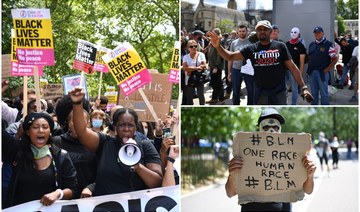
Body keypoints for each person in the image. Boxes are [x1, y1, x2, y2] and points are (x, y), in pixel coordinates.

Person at [68, 87, 162, 196]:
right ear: (115, 127)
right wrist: (77, 103)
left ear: (135, 127)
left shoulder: (145, 145)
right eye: (122, 125)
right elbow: (81, 132)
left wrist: (137, 166)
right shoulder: (105, 143)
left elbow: (157, 183)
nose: (126, 129)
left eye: (130, 125)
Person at [225, 108, 316, 211]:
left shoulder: (293, 154)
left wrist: (310, 175)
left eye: (275, 127)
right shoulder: (246, 152)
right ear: (260, 128)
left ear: (280, 129)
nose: (271, 130)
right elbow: (230, 193)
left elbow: (308, 190)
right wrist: (232, 174)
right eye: (266, 126)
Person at [208, 20, 313, 105]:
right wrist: (218, 46)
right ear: (256, 32)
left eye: (265, 29)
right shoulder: (251, 48)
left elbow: (293, 68)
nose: (262, 31)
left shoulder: (280, 46)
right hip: (260, 93)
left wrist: (304, 88)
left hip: (279, 92)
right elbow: (230, 56)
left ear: (270, 31)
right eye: (259, 29)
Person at [2, 112, 78, 208]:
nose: (41, 130)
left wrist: (58, 193)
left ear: (50, 131)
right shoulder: (16, 153)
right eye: (35, 127)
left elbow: (73, 188)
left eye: (45, 127)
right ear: (28, 132)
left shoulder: (61, 156)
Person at [53, 95, 97, 199]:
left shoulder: (97, 143)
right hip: (63, 201)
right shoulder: (56, 142)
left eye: (81, 120)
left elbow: (105, 173)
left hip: (90, 200)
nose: (78, 124)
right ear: (67, 123)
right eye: (74, 120)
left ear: (88, 123)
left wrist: (91, 188)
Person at [307, 26, 338, 105]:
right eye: (315, 33)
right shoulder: (311, 44)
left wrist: (327, 69)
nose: (317, 34)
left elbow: (335, 59)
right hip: (312, 73)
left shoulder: (329, 45)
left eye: (319, 32)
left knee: (324, 94)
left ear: (323, 33)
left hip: (322, 73)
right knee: (313, 94)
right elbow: (310, 57)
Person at [228, 25, 253, 105]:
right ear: (237, 32)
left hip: (249, 70)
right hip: (236, 69)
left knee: (251, 91)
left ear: (247, 31)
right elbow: (230, 58)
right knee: (235, 91)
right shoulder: (233, 43)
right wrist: (229, 72)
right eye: (240, 31)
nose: (242, 33)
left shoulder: (251, 42)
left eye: (243, 31)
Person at [182, 39, 207, 105]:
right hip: (189, 79)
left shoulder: (201, 55)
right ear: (188, 48)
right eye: (191, 46)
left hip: (199, 78)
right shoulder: (185, 57)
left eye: (195, 46)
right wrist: (197, 68)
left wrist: (190, 69)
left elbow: (204, 65)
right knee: (189, 97)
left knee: (201, 95)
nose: (193, 48)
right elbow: (184, 68)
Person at [286, 27, 307, 105]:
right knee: (283, 88)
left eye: (295, 32)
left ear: (299, 34)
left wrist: (300, 74)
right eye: (292, 32)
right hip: (285, 70)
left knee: (295, 89)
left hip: (294, 70)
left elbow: (302, 61)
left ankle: (293, 104)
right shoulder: (286, 44)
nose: (293, 34)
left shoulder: (301, 46)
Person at [206, 28, 225, 105]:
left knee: (218, 83)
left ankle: (221, 100)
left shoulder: (219, 42)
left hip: (216, 67)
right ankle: (214, 98)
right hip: (212, 65)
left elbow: (219, 55)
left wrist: (216, 67)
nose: (211, 35)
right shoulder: (211, 42)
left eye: (213, 34)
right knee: (214, 83)